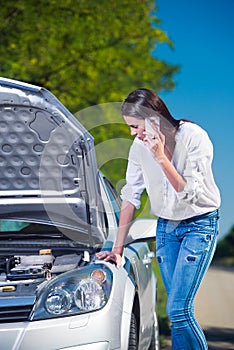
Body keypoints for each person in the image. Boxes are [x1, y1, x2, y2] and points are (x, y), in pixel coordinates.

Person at [96, 88, 221, 350]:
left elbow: (188, 194)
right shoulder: (138, 148)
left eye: (135, 126)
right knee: (177, 317)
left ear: (153, 117)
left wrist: (161, 157)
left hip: (199, 226)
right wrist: (116, 249)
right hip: (167, 229)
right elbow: (130, 196)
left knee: (179, 310)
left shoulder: (193, 137)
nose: (133, 133)